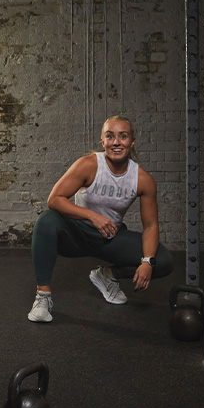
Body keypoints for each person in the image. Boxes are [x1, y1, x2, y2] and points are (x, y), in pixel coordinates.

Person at [27, 116, 174, 322]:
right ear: (102, 141)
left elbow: (150, 226)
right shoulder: (88, 165)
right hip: (76, 235)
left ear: (132, 142)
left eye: (123, 136)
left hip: (109, 238)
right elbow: (54, 200)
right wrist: (92, 216)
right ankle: (42, 297)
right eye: (110, 136)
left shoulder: (142, 179)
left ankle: (107, 275)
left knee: (163, 261)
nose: (116, 142)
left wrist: (148, 261)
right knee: (46, 220)